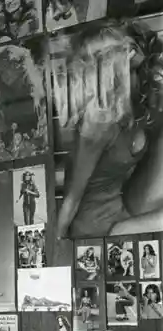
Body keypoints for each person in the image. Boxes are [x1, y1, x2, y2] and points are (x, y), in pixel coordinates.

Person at [54, 20, 163, 240]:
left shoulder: (136, 110)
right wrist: (54, 251)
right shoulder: (97, 124)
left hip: (121, 216)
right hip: (95, 230)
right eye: (129, 66)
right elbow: (71, 199)